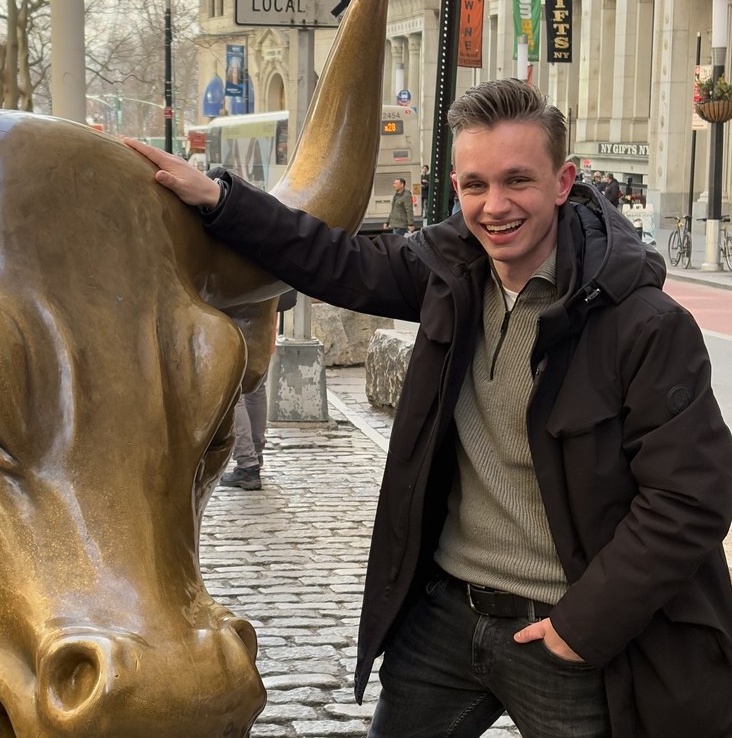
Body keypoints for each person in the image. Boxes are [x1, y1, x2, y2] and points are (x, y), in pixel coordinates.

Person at [125, 79, 732, 738]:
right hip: (446, 618)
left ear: (563, 182)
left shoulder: (643, 324)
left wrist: (580, 629)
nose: (495, 206)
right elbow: (336, 261)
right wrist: (220, 201)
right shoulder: (451, 275)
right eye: (475, 185)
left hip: (563, 634)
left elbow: (690, 499)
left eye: (517, 181)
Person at [220, 288, 297, 492]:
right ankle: (255, 453)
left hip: (236, 315)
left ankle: (247, 464)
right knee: (255, 388)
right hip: (265, 314)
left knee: (233, 393)